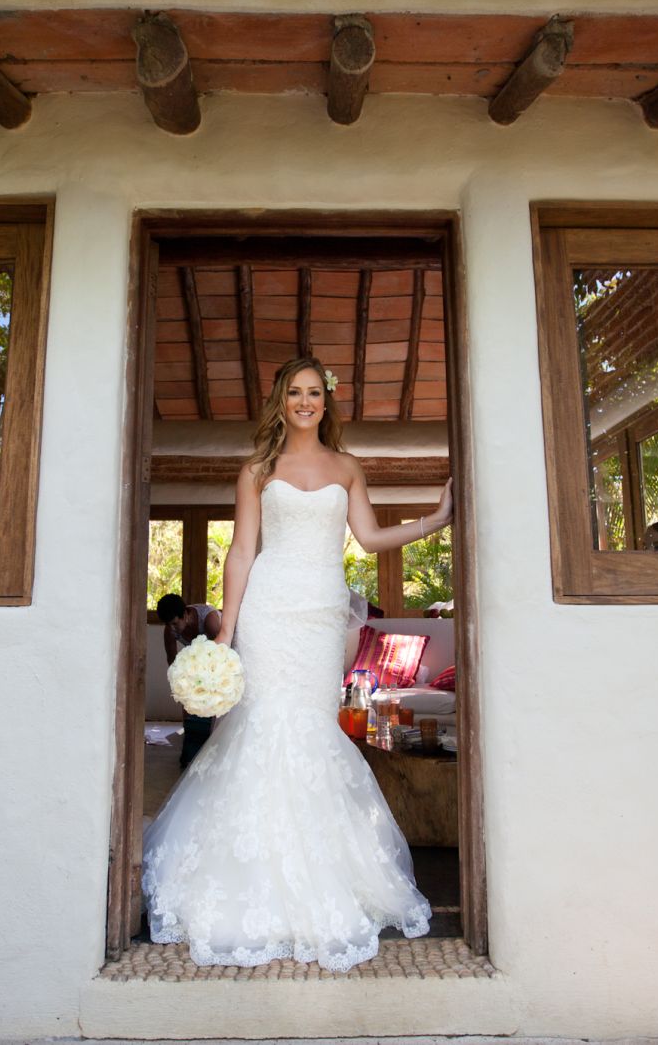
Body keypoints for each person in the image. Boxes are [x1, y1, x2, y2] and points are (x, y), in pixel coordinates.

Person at [142, 355, 453, 972]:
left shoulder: (347, 467)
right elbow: (240, 553)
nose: (305, 402)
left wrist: (433, 521)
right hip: (268, 611)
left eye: (314, 392)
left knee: (312, 732)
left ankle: (322, 873)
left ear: (326, 400)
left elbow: (369, 539)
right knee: (260, 727)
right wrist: (226, 631)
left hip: (319, 617)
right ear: (280, 401)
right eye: (294, 392)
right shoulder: (258, 470)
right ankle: (247, 881)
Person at [156, 593, 222, 767]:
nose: (172, 629)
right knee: (190, 704)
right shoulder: (170, 630)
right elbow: (173, 663)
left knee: (214, 705)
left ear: (186, 614)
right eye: (168, 625)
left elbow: (221, 654)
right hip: (198, 663)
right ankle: (192, 748)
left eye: (175, 623)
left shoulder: (209, 621)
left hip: (220, 657)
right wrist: (183, 692)